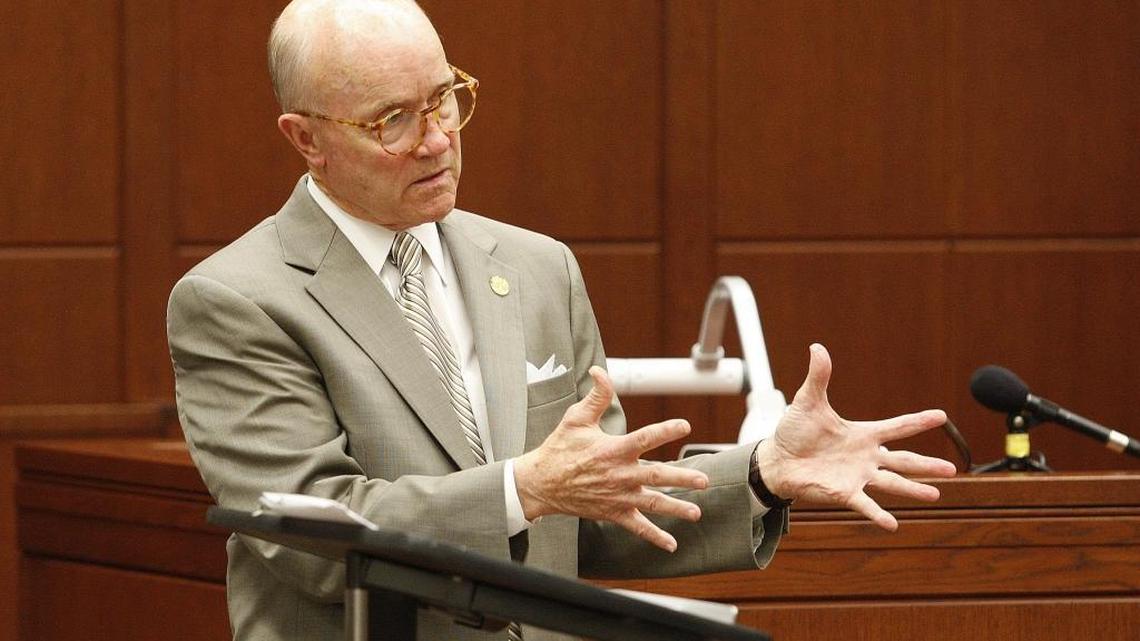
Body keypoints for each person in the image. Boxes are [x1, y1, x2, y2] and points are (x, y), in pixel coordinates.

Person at [166, 1, 957, 639]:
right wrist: (524, 488)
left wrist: (759, 472)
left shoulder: (538, 268)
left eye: (444, 97)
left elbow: (597, 507)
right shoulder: (238, 299)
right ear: (306, 138)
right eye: (392, 120)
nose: (438, 140)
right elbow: (312, 538)